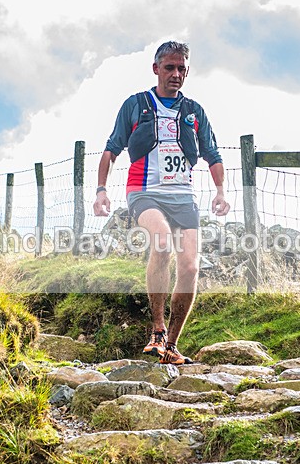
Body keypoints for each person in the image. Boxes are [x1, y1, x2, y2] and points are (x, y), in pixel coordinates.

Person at [93, 41, 230, 365]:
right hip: (144, 192)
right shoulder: (136, 105)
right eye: (169, 67)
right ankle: (157, 329)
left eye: (181, 68)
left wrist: (220, 191)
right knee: (163, 241)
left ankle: (171, 345)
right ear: (156, 69)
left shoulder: (194, 112)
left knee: (191, 267)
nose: (176, 74)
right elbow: (112, 149)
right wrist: (101, 190)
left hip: (183, 197)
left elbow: (212, 155)